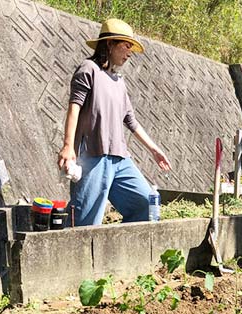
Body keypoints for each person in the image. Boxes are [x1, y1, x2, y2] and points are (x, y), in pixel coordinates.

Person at [57, 18, 171, 226]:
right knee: (85, 222)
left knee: (145, 205)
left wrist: (154, 150)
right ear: (109, 43)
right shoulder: (88, 69)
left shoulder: (119, 82)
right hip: (92, 155)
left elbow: (131, 121)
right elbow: (74, 107)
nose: (130, 52)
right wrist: (67, 145)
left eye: (132, 48)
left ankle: (119, 254)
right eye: (126, 46)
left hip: (120, 159)